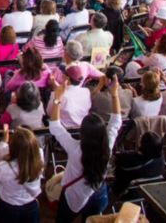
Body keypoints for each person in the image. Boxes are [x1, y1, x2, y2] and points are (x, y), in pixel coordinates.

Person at [49, 73, 123, 222]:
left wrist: (57, 98)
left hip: (74, 196)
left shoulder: (76, 149)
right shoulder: (107, 145)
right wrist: (114, 94)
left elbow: (55, 126)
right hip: (98, 191)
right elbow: (116, 121)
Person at [0, 126, 44, 222]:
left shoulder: (3, 167)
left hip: (9, 209)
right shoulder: (39, 158)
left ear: (12, 147)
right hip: (31, 206)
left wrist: (3, 143)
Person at [112, 132, 165, 197]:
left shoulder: (128, 160)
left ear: (143, 145)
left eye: (141, 137)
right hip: (150, 192)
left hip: (127, 194)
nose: (140, 137)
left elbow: (117, 174)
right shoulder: (160, 159)